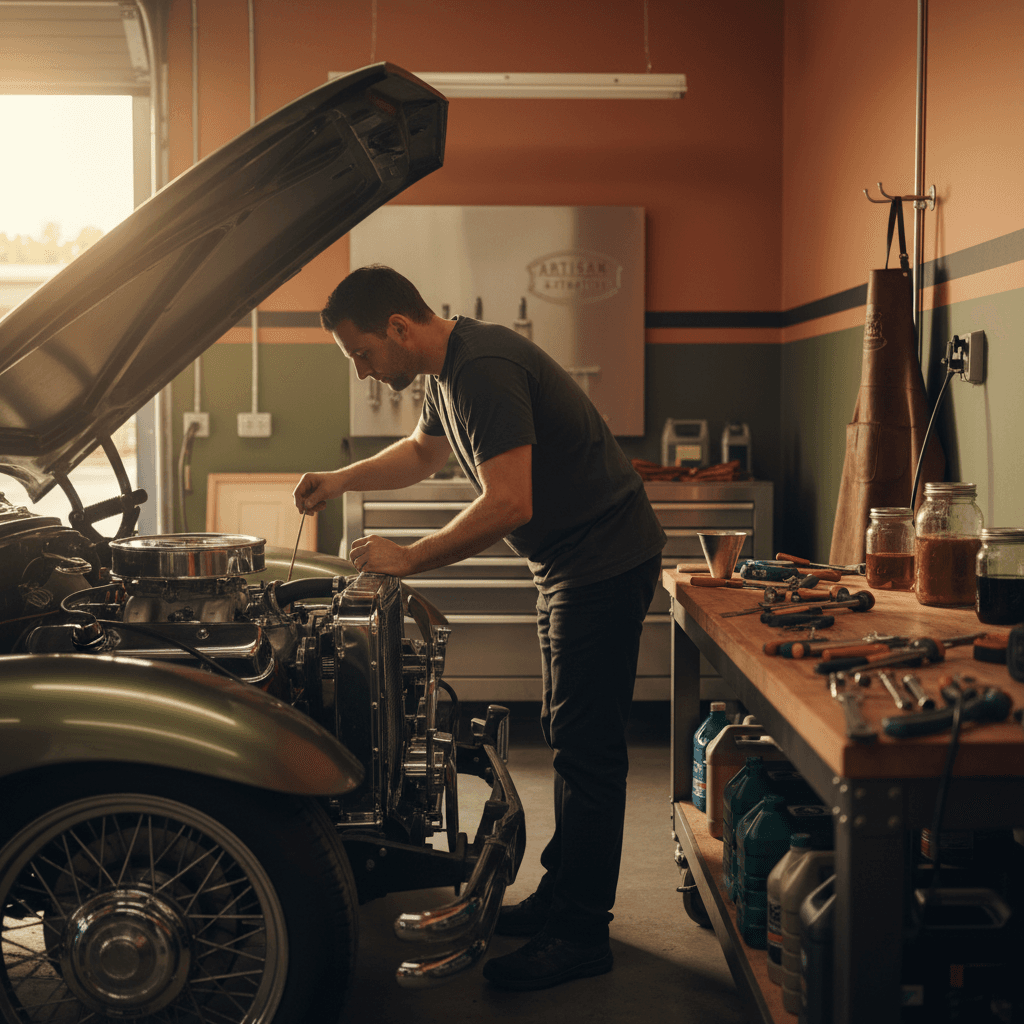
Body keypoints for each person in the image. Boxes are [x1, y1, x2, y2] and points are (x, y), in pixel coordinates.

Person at [293, 265, 666, 990]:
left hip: (600, 563)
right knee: (571, 736)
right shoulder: (444, 373)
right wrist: (340, 479)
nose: (366, 371)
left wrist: (411, 558)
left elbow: (510, 503)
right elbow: (422, 454)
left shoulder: (483, 370)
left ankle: (583, 932)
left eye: (364, 354)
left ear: (399, 327)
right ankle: (565, 896)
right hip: (570, 564)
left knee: (588, 751)